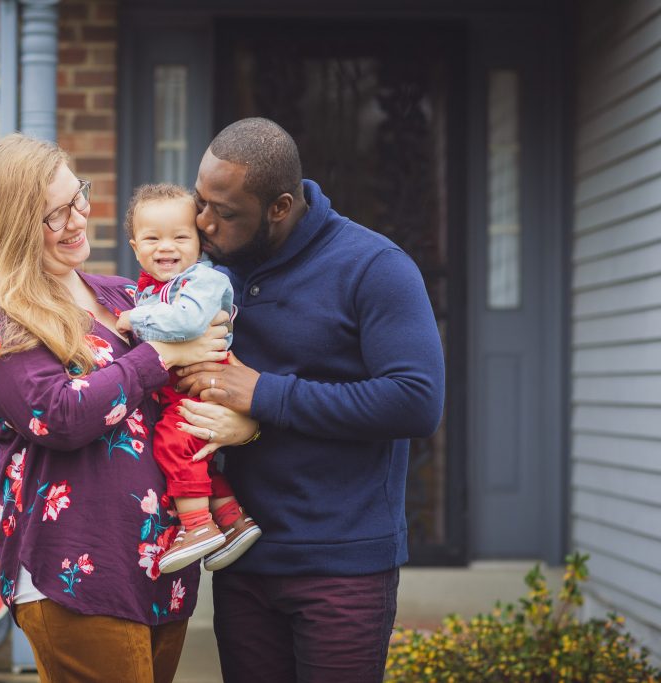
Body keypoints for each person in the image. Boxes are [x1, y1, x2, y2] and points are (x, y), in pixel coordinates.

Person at [0, 133, 232, 683]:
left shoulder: (126, 296)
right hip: (77, 568)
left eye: (78, 196)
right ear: (11, 225)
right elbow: (59, 415)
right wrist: (164, 353)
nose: (78, 220)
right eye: (54, 215)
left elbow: (196, 374)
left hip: (161, 562)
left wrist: (239, 421)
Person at [174, 117, 446, 682]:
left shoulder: (375, 267)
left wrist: (264, 394)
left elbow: (416, 401)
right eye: (201, 202)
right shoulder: (208, 273)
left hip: (341, 564)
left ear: (279, 206)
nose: (202, 223)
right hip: (243, 556)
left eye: (224, 212)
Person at [115, 183, 262, 575]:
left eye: (180, 237)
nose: (167, 247)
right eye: (153, 238)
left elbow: (188, 322)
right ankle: (231, 521)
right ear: (134, 247)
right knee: (195, 460)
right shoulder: (147, 290)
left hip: (207, 386)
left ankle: (197, 528)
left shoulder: (203, 282)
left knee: (173, 445)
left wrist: (135, 320)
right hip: (181, 389)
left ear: (200, 243)